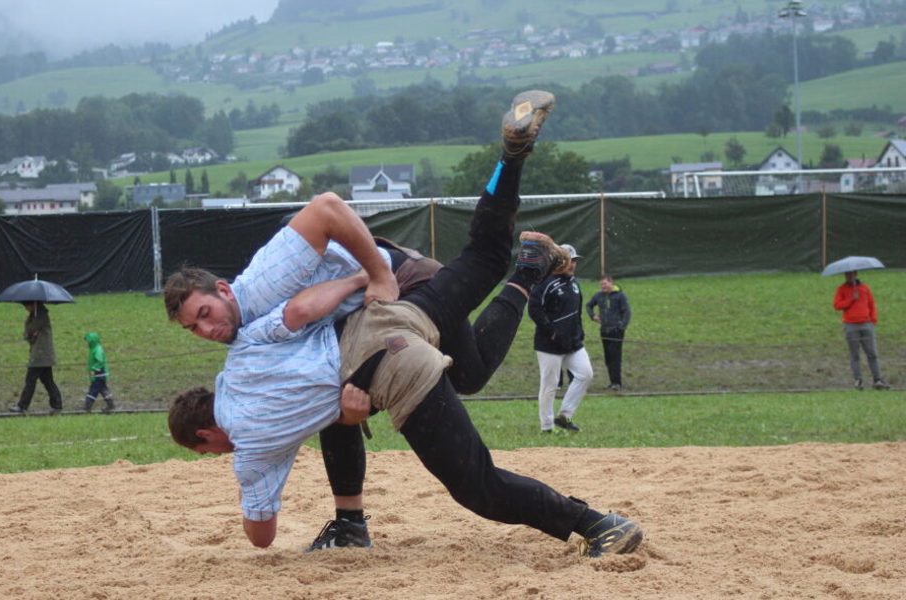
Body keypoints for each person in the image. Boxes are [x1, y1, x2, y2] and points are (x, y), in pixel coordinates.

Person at [165, 90, 643, 558]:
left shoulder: (263, 293)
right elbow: (300, 319)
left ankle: (598, 525)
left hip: (395, 292)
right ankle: (513, 163)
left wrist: (370, 274)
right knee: (478, 300)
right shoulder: (244, 350)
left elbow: (325, 216)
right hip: (379, 323)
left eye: (204, 315)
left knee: (476, 482)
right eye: (193, 329)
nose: (206, 331)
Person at [529, 244, 593, 433]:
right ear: (557, 261)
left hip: (573, 343)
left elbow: (577, 312)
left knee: (585, 374)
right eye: (568, 260)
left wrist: (578, 332)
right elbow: (534, 309)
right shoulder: (545, 282)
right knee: (550, 385)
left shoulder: (573, 283)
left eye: (574, 261)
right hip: (549, 344)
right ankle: (546, 427)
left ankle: (564, 416)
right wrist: (552, 331)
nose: (572, 264)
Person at [834, 271, 890, 390]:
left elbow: (871, 304)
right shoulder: (841, 289)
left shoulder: (864, 288)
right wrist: (850, 300)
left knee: (872, 353)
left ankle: (877, 379)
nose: (849, 277)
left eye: (851, 274)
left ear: (856, 274)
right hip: (850, 325)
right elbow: (837, 305)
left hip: (866, 324)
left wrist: (873, 320)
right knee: (855, 355)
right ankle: (858, 380)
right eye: (847, 275)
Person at [9, 301, 63, 414]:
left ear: (33, 305)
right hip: (42, 355)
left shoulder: (40, 316)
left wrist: (27, 322)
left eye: (26, 306)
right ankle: (57, 404)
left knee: (30, 380)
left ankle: (22, 406)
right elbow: (28, 335)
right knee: (47, 381)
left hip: (40, 356)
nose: (25, 309)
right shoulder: (36, 315)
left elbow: (29, 330)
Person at [586, 274, 632, 391]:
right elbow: (589, 305)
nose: (603, 286)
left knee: (615, 357)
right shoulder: (599, 296)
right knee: (608, 357)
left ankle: (617, 382)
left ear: (611, 283)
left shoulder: (620, 296)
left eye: (605, 284)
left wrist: (622, 326)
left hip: (616, 331)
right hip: (604, 331)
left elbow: (627, 312)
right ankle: (612, 381)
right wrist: (593, 316)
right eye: (601, 284)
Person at [83, 332, 116, 413]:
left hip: (99, 374)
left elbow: (100, 361)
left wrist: (94, 369)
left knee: (94, 389)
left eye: (88, 341)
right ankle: (110, 404)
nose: (87, 343)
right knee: (103, 389)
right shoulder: (94, 348)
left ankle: (88, 404)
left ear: (92, 341)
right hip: (99, 374)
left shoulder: (97, 349)